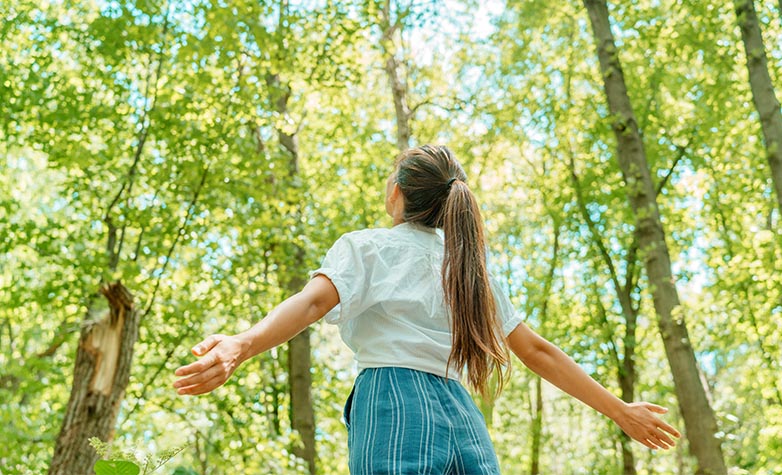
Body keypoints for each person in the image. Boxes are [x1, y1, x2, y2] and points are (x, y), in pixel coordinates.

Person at [174, 144, 680, 474]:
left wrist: (241, 343)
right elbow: (538, 351)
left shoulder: (369, 247)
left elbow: (310, 305)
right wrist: (620, 410)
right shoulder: (471, 270)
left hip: (392, 399)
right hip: (461, 413)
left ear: (396, 193)